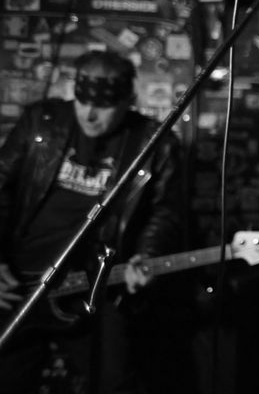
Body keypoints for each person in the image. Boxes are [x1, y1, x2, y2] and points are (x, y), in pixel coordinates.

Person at [0, 50, 184, 393]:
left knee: (115, 381)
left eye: (104, 104)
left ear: (128, 100)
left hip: (95, 285)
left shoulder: (154, 141)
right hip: (21, 283)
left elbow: (165, 211)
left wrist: (148, 254)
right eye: (82, 100)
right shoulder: (43, 121)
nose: (89, 113)